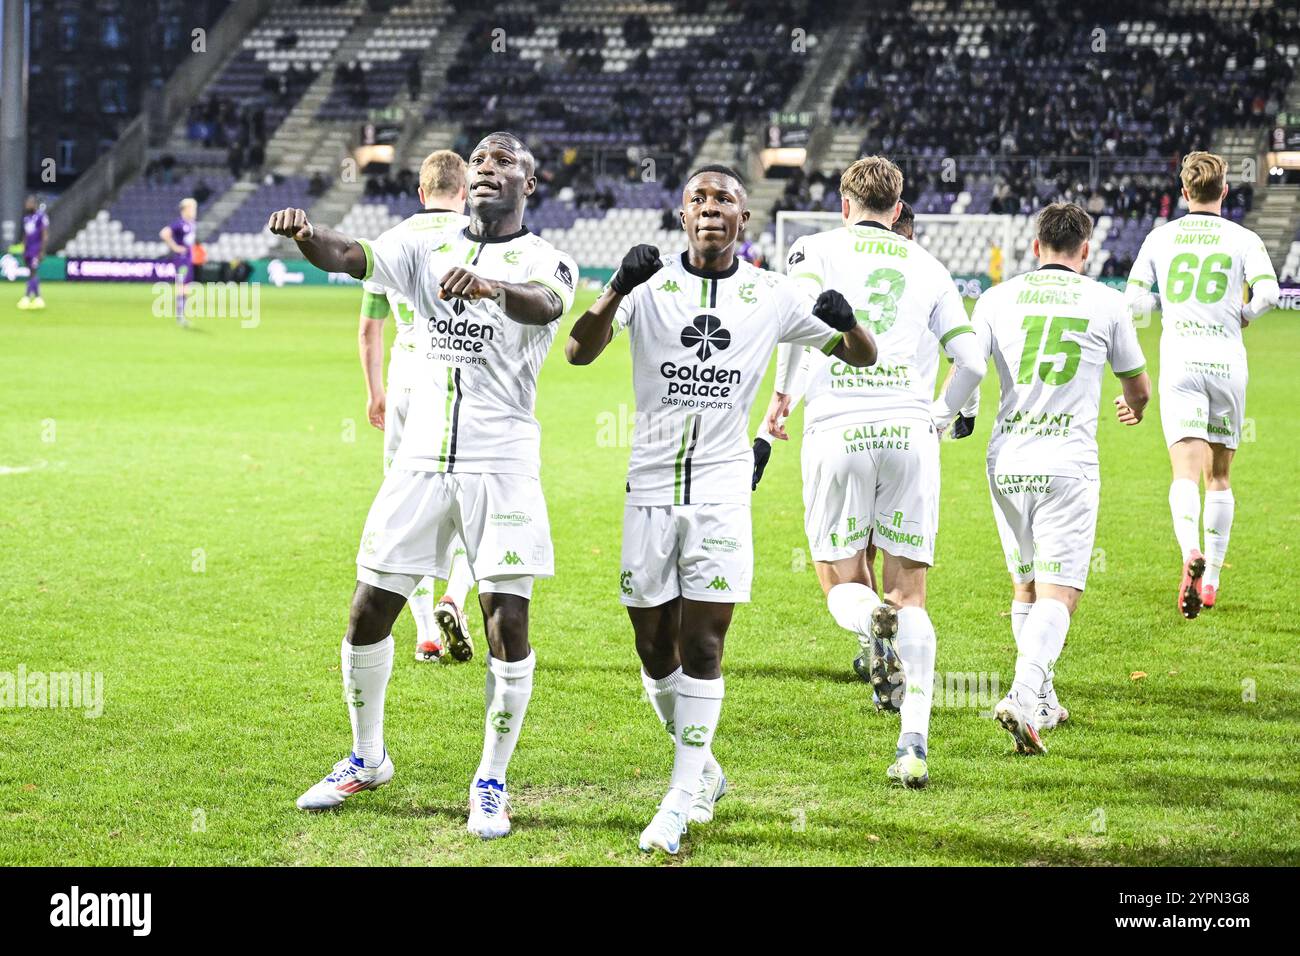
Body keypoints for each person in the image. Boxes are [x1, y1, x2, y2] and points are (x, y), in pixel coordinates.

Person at [268, 132, 577, 840]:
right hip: (420, 461)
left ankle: (491, 781)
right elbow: (351, 258)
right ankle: (366, 756)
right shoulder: (419, 243)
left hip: (501, 463)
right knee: (368, 610)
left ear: (530, 184)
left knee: (508, 621)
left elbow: (544, 305)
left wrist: (494, 286)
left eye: (505, 164)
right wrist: (309, 236)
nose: (488, 171)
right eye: (480, 163)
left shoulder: (545, 258)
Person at [565, 164, 876, 853]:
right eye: (698, 199)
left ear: (744, 219)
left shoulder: (772, 295)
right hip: (648, 486)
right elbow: (577, 352)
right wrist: (615, 287)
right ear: (682, 216)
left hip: (722, 490)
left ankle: (677, 799)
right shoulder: (648, 287)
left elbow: (860, 355)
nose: (711, 208)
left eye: (725, 199)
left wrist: (848, 321)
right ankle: (704, 769)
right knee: (653, 649)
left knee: (703, 645)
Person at [752, 157, 985, 790]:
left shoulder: (815, 248)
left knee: (841, 582)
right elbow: (971, 362)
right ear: (899, 203)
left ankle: (867, 627)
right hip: (909, 431)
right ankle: (914, 744)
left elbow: (795, 328)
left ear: (843, 201)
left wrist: (782, 397)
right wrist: (938, 416)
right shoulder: (930, 265)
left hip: (839, 427)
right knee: (909, 595)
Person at [980, 203, 1151, 753]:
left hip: (1007, 460)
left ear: (1035, 248)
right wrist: (1133, 407)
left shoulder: (995, 298)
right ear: (1085, 251)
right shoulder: (1107, 301)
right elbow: (1139, 387)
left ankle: (1045, 701)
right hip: (1066, 462)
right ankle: (1024, 694)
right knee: (1061, 591)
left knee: (1025, 584)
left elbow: (967, 365)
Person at [1125, 151, 1278, 617]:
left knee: (1184, 473)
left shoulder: (1160, 237)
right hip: (1227, 361)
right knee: (1220, 475)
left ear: (1184, 192)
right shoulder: (1244, 237)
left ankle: (1189, 549)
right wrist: (1245, 315)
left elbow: (1133, 302)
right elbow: (1269, 293)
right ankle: (1210, 580)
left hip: (1181, 362)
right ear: (1225, 191)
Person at [356, 149, 476, 664]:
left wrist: (374, 391)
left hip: (405, 378)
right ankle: (457, 594)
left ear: (422, 193)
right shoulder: (480, 239)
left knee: (404, 504)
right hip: (460, 380)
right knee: (473, 498)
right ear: (464, 192)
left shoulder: (392, 242)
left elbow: (368, 330)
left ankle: (426, 630)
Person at [160, 198, 197, 328]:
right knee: (182, 286)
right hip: (181, 260)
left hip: (187, 259)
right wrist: (175, 247)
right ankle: (180, 315)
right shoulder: (179, 224)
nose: (194, 211)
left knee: (186, 286)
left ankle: (181, 315)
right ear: (185, 209)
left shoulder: (191, 223)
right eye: (192, 208)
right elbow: (164, 233)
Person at [17, 196, 48, 310]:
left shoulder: (41, 217)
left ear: (34, 204)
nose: (27, 205)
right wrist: (23, 249)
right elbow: (26, 235)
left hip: (36, 249)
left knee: (33, 272)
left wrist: (42, 251)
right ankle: (37, 298)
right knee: (31, 272)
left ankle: (28, 297)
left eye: (29, 203)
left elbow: (44, 235)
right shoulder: (27, 218)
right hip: (28, 250)